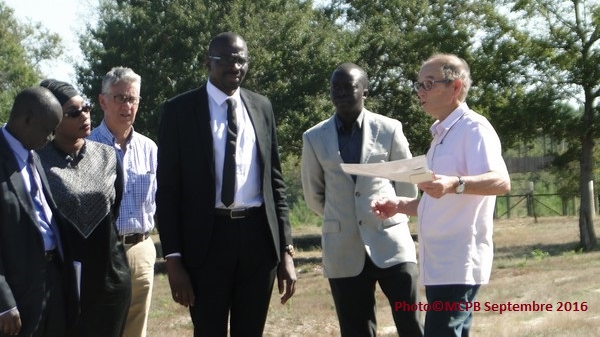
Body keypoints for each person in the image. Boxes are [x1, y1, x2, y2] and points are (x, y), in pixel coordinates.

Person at [156, 31, 297, 336]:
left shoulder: (261, 107)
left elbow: (276, 183)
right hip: (205, 244)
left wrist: (285, 250)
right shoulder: (180, 111)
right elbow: (167, 191)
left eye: (242, 60)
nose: (236, 66)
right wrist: (174, 260)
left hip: (258, 242)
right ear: (208, 62)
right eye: (227, 60)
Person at [371, 54, 511, 337]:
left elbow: (501, 181)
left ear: (455, 87)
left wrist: (456, 183)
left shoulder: (474, 128)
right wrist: (400, 205)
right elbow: (440, 198)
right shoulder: (441, 135)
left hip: (458, 260)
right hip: (438, 262)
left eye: (428, 84)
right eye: (418, 84)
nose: (420, 92)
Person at [301, 63, 424, 337]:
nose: (342, 93)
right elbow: (314, 194)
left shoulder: (390, 128)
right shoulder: (314, 137)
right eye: (336, 88)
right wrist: (343, 215)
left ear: (365, 90)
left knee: (411, 323)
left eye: (349, 87)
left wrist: (394, 211)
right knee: (356, 329)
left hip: (391, 241)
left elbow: (407, 183)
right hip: (343, 247)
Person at [37, 79, 132, 337]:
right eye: (73, 112)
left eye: (87, 108)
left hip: (110, 278)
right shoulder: (37, 162)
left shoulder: (108, 156)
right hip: (65, 283)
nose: (85, 116)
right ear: (53, 119)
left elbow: (113, 207)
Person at [0, 86, 79, 337]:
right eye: (48, 130)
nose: (51, 136)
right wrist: (3, 303)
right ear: (27, 119)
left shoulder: (33, 154)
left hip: (52, 281)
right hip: (17, 291)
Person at [88, 66, 157, 337]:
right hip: (101, 252)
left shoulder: (149, 148)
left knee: (136, 328)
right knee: (101, 326)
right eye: (120, 98)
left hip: (141, 248)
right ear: (103, 101)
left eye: (133, 99)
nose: (127, 105)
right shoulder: (85, 147)